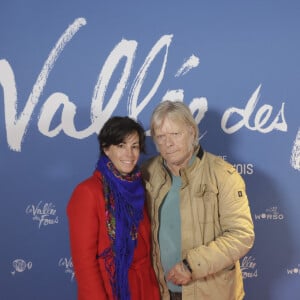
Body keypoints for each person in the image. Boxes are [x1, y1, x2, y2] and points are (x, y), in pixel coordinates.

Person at [141, 100, 255, 300]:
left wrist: (191, 265)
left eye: (175, 134)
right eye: (161, 136)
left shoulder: (223, 175)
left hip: (211, 293)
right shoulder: (147, 173)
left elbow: (241, 235)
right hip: (161, 292)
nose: (168, 143)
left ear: (192, 132)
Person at [67, 116, 160, 300]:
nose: (129, 154)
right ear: (106, 148)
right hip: (113, 291)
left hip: (146, 289)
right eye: (121, 146)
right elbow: (84, 264)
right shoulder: (87, 192)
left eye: (134, 146)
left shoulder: (139, 186)